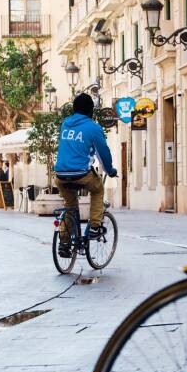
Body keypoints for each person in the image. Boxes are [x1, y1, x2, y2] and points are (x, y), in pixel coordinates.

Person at [54, 93, 117, 257]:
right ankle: (95, 226)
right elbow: (103, 153)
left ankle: (64, 243)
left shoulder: (65, 124)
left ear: (74, 109)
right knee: (97, 189)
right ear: (91, 111)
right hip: (81, 173)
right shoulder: (93, 127)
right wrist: (110, 171)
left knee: (70, 206)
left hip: (60, 175)